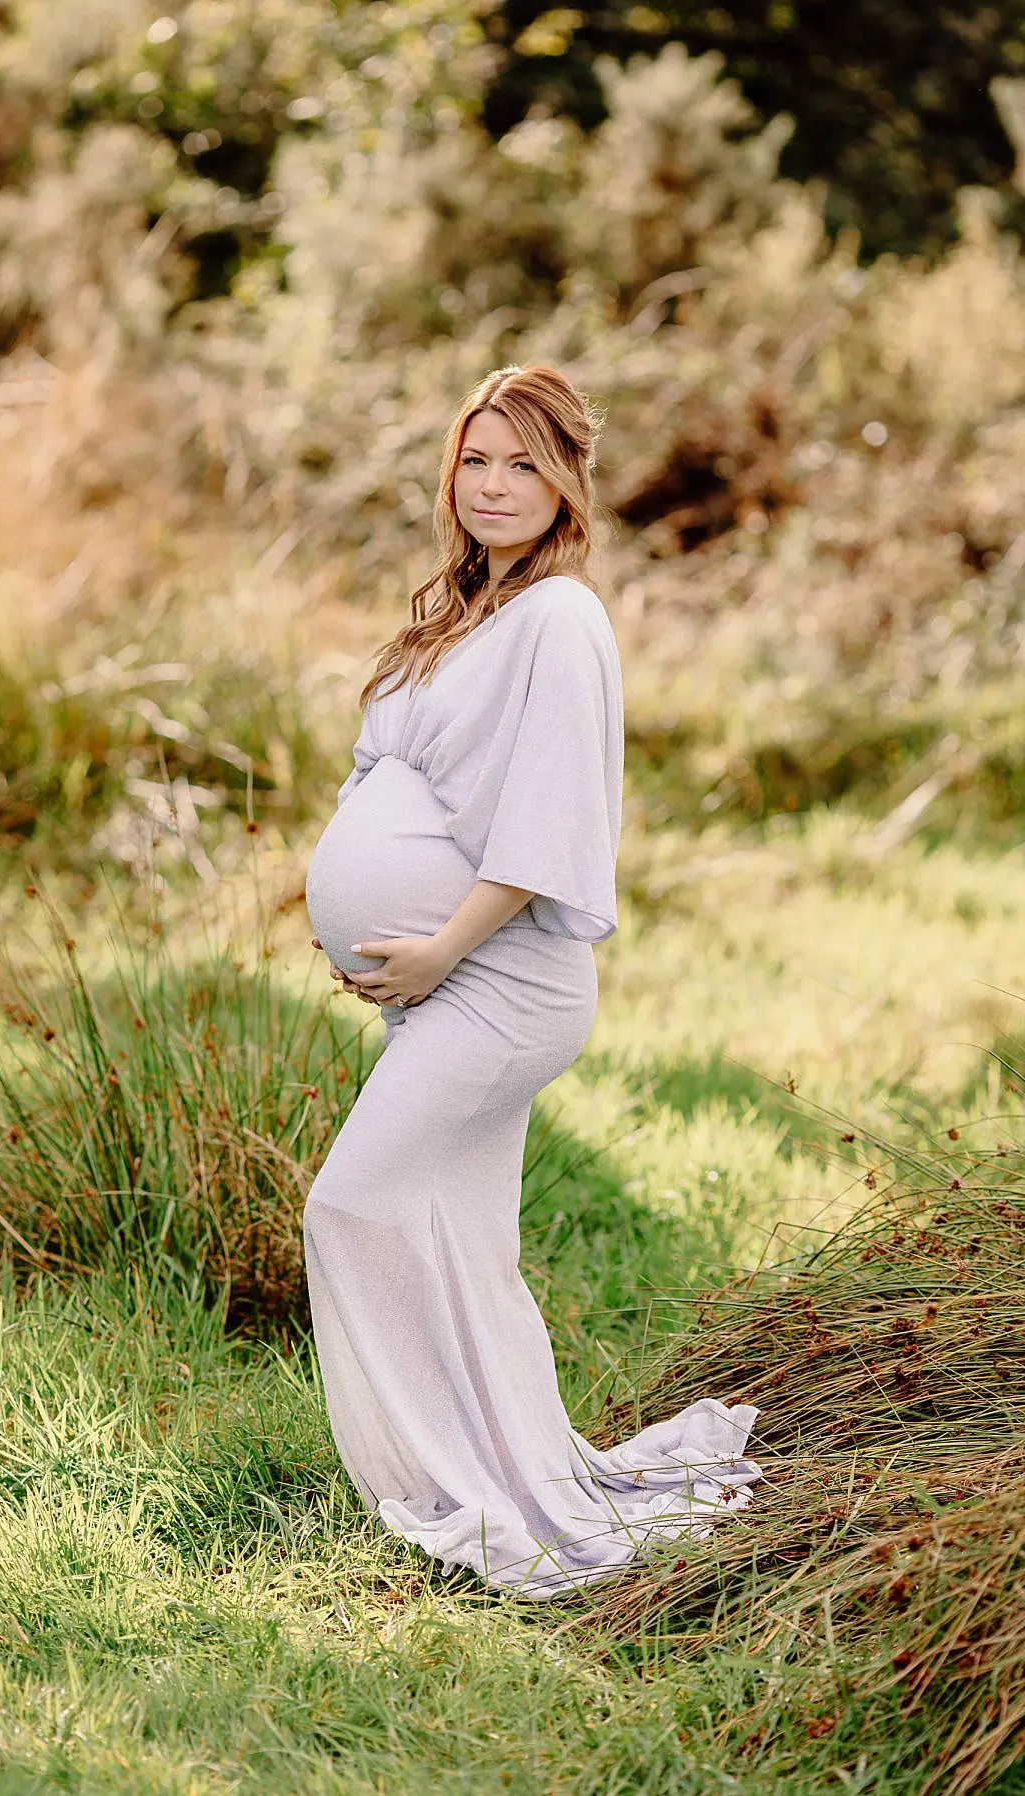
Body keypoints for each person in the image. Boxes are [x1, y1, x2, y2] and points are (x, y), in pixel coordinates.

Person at [302, 364, 761, 1599]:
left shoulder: (562, 617)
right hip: (439, 985)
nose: (493, 485)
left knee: (349, 1205)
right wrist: (360, 929)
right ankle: (510, 1464)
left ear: (567, 482)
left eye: (522, 463)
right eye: (475, 459)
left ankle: (455, 1483)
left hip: (503, 983)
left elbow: (557, 815)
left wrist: (440, 942)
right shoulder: (463, 609)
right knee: (459, 1240)